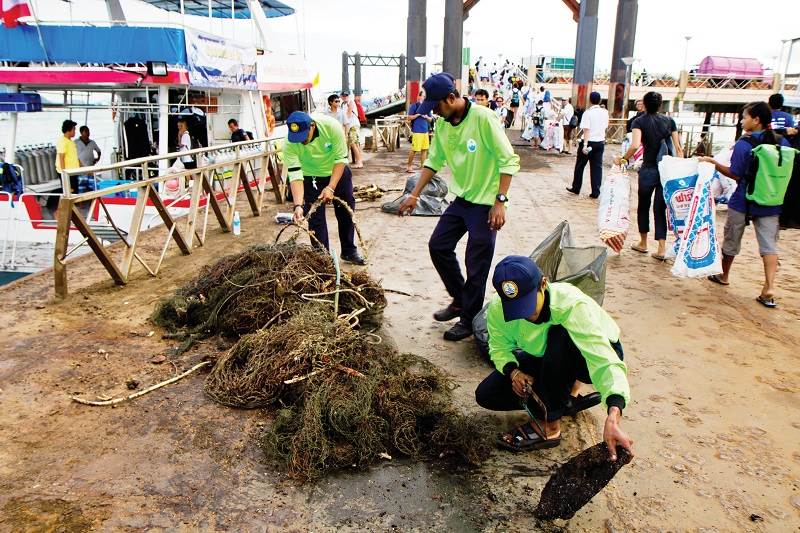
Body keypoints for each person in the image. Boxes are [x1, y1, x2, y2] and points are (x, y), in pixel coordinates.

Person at [397, 73, 520, 341]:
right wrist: (414, 195)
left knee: (476, 263)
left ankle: (467, 319)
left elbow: (508, 160)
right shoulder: (442, 125)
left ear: (451, 98)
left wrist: (500, 202)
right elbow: (434, 160)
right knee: (438, 245)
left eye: (437, 106)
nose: (436, 113)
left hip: (486, 203)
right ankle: (460, 299)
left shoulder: (484, 119)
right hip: (461, 199)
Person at [475, 256, 633, 457]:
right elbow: (497, 347)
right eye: (516, 309)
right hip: (544, 352)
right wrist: (513, 372)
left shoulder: (571, 305)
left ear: (543, 283)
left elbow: (604, 360)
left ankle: (550, 426)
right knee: (487, 395)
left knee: (560, 333)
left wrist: (613, 414)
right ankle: (565, 398)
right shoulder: (498, 307)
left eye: (528, 304)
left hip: (589, 354)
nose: (525, 315)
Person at [699, 101, 792, 308]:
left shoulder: (745, 143)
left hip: (743, 200)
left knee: (732, 239)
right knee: (769, 246)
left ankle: (723, 275)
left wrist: (713, 162)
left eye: (744, 117)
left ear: (756, 120)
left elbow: (735, 174)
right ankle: (769, 287)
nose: (742, 121)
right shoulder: (782, 143)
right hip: (771, 202)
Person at [284, 111, 366, 265]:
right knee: (315, 219)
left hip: (337, 171)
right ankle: (322, 260)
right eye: (297, 139)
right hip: (311, 177)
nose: (301, 142)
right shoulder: (290, 142)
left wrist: (331, 187)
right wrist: (297, 205)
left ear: (312, 126)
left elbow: (341, 159)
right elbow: (295, 175)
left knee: (346, 211)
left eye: (303, 137)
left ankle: (348, 251)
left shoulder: (332, 127)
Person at [615, 91, 684, 260]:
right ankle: (661, 248)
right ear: (660, 105)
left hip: (648, 169)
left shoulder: (639, 121)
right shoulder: (670, 121)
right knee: (660, 208)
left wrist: (623, 159)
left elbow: (635, 145)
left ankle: (643, 243)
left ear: (644, 104)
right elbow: (679, 149)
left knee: (644, 205)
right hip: (666, 171)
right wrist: (679, 168)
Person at [567, 91, 609, 198]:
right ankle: (596, 191)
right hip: (600, 142)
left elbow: (586, 130)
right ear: (599, 100)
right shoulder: (605, 112)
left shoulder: (588, 113)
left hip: (589, 142)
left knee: (580, 166)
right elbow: (605, 126)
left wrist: (585, 145)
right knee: (597, 168)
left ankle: (576, 187)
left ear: (590, 100)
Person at [406, 90, 434, 172]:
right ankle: (409, 166)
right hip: (417, 131)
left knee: (424, 149)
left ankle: (422, 166)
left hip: (425, 131)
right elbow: (409, 118)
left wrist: (426, 116)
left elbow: (430, 119)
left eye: (425, 97)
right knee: (414, 149)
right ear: (419, 96)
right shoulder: (414, 106)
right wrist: (417, 115)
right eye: (423, 96)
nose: (424, 98)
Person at [340, 92, 364, 169]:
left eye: (346, 95)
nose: (345, 97)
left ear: (349, 96)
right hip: (348, 125)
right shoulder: (343, 104)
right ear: (341, 96)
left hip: (353, 125)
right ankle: (358, 161)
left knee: (353, 143)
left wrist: (341, 124)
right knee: (354, 143)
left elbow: (348, 114)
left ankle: (359, 162)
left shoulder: (351, 102)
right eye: (343, 96)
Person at [56, 120, 80, 194]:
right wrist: (64, 173)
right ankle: (70, 205)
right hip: (67, 172)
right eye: (73, 130)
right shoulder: (62, 141)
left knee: (75, 191)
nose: (75, 132)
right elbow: (61, 157)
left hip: (73, 171)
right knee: (70, 191)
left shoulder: (71, 142)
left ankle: (76, 205)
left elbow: (74, 156)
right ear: (68, 130)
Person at [76, 126, 101, 192]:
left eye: (88, 131)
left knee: (94, 188)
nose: (88, 133)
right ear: (81, 132)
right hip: (80, 171)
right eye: (86, 131)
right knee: (81, 190)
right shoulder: (76, 142)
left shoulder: (92, 142)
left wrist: (97, 159)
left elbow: (98, 151)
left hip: (90, 170)